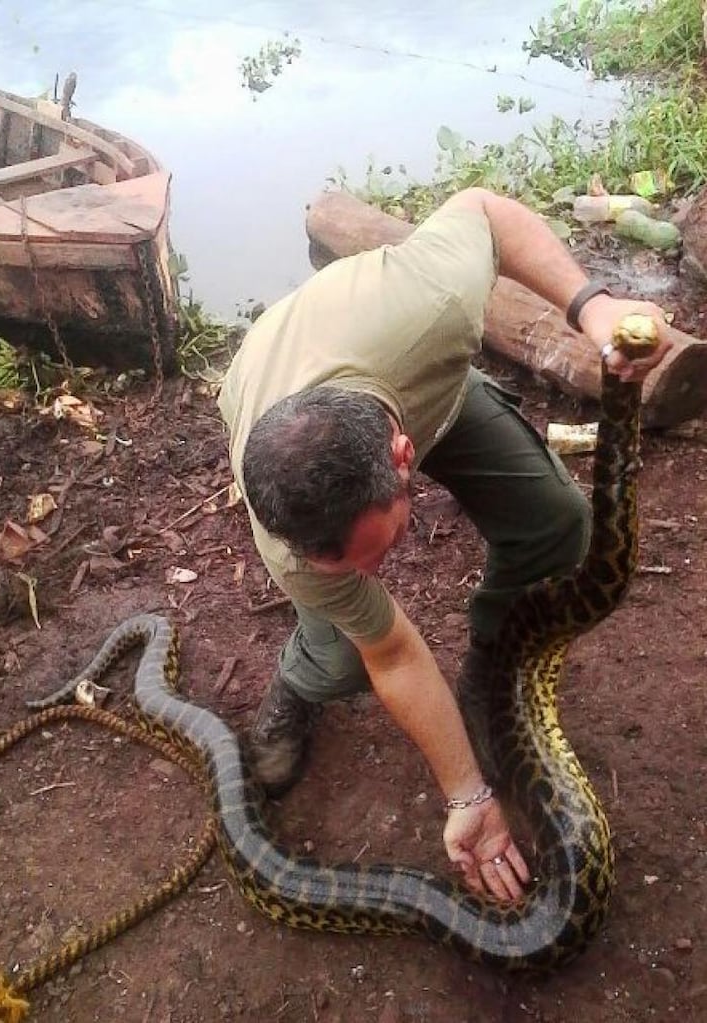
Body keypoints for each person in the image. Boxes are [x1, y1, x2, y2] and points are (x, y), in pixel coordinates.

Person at [216, 186, 671, 904]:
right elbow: (392, 650)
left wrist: (591, 305)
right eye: (342, 563)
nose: (373, 572)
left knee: (558, 525)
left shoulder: (431, 302)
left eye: (374, 547)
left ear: (406, 459)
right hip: (286, 392)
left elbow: (484, 208)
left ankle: (493, 667)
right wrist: (467, 795)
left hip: (408, 378)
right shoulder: (291, 544)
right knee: (343, 654)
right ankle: (295, 690)